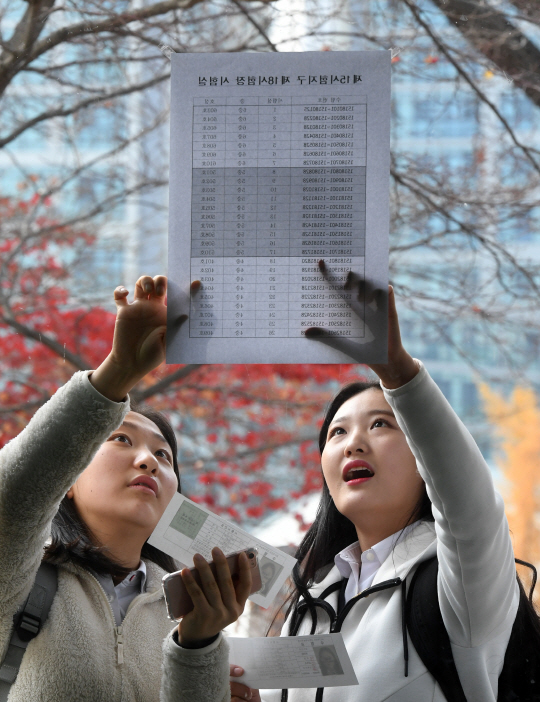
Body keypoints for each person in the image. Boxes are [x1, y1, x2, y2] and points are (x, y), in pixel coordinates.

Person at [231, 282, 522, 702]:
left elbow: (470, 504)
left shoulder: (460, 586)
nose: (353, 443)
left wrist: (398, 373)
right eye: (337, 432)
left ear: (424, 457)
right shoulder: (310, 603)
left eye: (381, 424)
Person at [0, 275, 251, 702]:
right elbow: (14, 496)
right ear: (69, 478)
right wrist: (118, 372)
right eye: (121, 438)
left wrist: (198, 645)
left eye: (164, 456)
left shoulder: (181, 612)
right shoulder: (18, 576)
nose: (148, 460)